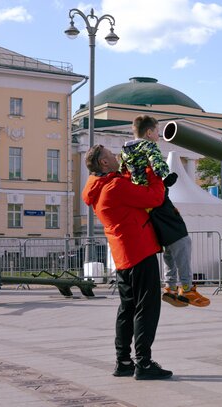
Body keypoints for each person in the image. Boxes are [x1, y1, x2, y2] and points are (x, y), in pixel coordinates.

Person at [82, 144, 172, 380]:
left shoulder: (98, 187)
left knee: (127, 309)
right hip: (139, 251)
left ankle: (123, 361)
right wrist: (152, 170)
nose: (115, 156)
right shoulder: (115, 187)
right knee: (146, 308)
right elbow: (155, 197)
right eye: (110, 155)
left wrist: (130, 169)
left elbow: (126, 186)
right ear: (104, 163)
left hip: (123, 257)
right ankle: (144, 363)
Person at [120, 114, 210, 308]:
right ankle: (187, 288)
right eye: (157, 132)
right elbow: (158, 164)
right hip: (157, 200)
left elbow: (123, 173)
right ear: (149, 132)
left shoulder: (125, 150)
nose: (158, 136)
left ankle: (170, 287)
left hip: (144, 205)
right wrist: (165, 177)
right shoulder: (149, 145)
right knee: (182, 240)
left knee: (169, 245)